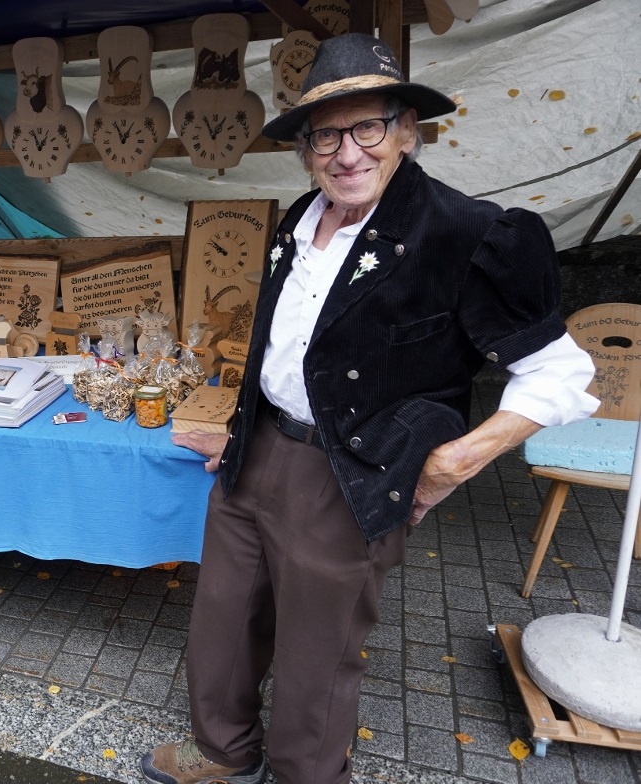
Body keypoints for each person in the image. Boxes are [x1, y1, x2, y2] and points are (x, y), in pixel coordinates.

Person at [140, 34, 599, 784]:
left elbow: (562, 374)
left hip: (351, 473)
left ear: (407, 131)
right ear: (306, 148)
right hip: (256, 454)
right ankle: (224, 751)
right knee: (223, 617)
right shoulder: (299, 217)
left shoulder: (469, 232)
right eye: (326, 134)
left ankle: (306, 777)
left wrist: (455, 460)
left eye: (369, 128)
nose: (347, 153)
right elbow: (283, 343)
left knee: (316, 652)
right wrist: (240, 428)